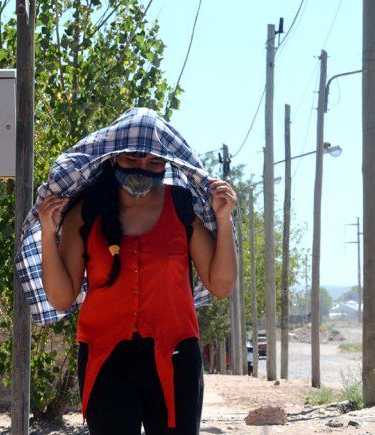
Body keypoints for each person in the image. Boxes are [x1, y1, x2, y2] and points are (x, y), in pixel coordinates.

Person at [33, 126, 237, 433]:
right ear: (114, 158)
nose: (142, 168)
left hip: (175, 356)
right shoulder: (86, 211)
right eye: (132, 158)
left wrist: (223, 219)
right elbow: (62, 298)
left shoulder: (183, 207)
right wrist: (49, 235)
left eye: (153, 162)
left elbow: (221, 286)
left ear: (167, 164)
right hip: (106, 360)